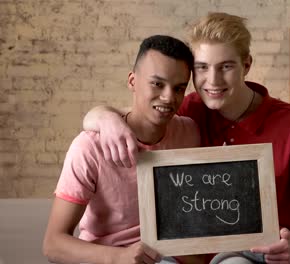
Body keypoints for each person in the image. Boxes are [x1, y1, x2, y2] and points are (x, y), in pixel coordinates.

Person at [83, 12, 290, 264]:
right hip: (231, 250)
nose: (212, 81)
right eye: (202, 68)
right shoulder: (187, 111)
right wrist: (105, 117)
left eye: (226, 67)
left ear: (246, 65)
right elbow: (132, 118)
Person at [42, 35, 201, 264]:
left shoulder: (190, 133)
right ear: (132, 81)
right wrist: (119, 257)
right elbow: (52, 245)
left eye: (179, 88)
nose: (168, 97)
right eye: (157, 83)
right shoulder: (88, 147)